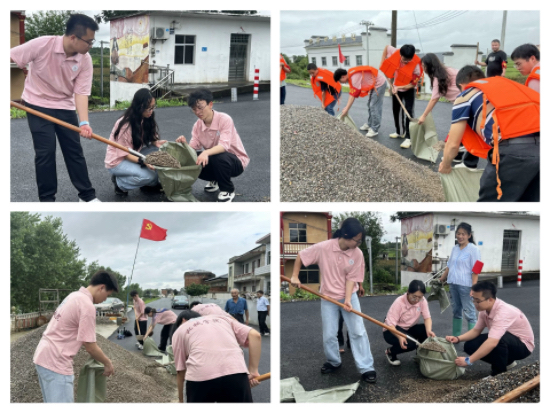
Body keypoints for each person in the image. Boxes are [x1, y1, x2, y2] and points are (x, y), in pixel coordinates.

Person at [10, 13, 101, 202]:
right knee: (45, 153)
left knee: (74, 151)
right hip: (37, 104)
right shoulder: (42, 44)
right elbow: (10, 57)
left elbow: (81, 92)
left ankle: (87, 196)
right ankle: (47, 200)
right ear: (73, 37)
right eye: (89, 42)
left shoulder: (85, 60)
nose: (90, 46)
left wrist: (84, 122)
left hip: (65, 107)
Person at [290, 218, 376, 383]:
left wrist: (349, 299)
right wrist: (295, 275)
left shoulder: (357, 253)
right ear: (345, 235)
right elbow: (301, 255)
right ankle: (333, 362)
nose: (359, 243)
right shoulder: (324, 247)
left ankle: (366, 367)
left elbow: (352, 278)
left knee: (358, 331)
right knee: (330, 334)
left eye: (360, 240)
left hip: (349, 296)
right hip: (328, 297)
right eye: (357, 240)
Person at [438, 65, 540, 202]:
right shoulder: (506, 86)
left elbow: (452, 145)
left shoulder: (464, 95)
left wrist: (445, 165)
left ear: (462, 85)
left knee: (490, 201)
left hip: (512, 151)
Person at [33, 271, 119, 403]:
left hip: (43, 357)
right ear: (101, 287)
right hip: (56, 362)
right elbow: (90, 346)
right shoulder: (87, 305)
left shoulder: (74, 296)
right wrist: (107, 363)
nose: (105, 299)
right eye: (107, 295)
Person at [446, 281, 534, 377]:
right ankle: (507, 362)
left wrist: (468, 360)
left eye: (478, 301)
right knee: (470, 345)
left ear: (490, 300)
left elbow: (492, 342)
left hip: (523, 346)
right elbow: (476, 331)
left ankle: (498, 375)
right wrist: (458, 338)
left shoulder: (503, 313)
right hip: (508, 340)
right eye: (473, 299)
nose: (475, 303)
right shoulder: (484, 310)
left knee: (497, 341)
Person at [171, 310, 261, 403]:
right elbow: (255, 335)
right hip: (236, 373)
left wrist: (181, 400)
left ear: (183, 320)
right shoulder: (222, 319)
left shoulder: (179, 331)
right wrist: (253, 371)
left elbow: (180, 372)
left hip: (200, 379)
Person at [176, 89, 249, 202]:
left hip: (235, 162)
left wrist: (205, 152)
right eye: (194, 109)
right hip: (215, 160)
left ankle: (228, 190)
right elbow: (193, 148)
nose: (197, 112)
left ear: (210, 104)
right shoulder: (197, 126)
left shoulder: (224, 119)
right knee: (192, 158)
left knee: (218, 156)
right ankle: (215, 179)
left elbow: (224, 146)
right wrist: (184, 144)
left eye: (200, 108)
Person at [420, 53, 478, 169]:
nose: (423, 68)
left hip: (466, 103)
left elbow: (434, 99)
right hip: (463, 102)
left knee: (470, 132)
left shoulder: (437, 78)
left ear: (429, 66)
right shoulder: (449, 70)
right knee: (462, 131)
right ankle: (456, 156)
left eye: (424, 66)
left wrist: (424, 115)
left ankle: (470, 164)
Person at [105, 88, 167, 196]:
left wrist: (155, 143)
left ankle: (148, 185)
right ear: (140, 106)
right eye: (148, 108)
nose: (151, 111)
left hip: (134, 153)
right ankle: (120, 184)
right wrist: (144, 161)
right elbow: (124, 154)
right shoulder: (125, 124)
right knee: (150, 176)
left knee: (160, 154)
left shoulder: (146, 116)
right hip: (118, 160)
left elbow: (149, 136)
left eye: (153, 107)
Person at [439, 222, 481, 336]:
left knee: (470, 313)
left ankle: (472, 338)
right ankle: (456, 337)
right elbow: (449, 265)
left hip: (466, 286)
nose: (460, 236)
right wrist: (442, 278)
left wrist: (474, 287)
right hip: (453, 284)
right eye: (458, 233)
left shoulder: (474, 249)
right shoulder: (454, 248)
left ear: (469, 235)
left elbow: (476, 270)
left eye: (463, 234)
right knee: (456, 311)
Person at [379, 44, 423, 149]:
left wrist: (399, 87)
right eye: (404, 59)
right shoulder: (395, 52)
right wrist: (382, 62)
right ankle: (399, 132)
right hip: (396, 87)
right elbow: (386, 47)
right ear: (400, 54)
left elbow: (413, 84)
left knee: (408, 111)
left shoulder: (417, 65)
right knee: (396, 110)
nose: (405, 62)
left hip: (409, 89)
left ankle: (408, 137)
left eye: (408, 60)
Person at [383, 280, 436, 366]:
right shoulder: (399, 303)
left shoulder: (422, 301)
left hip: (408, 328)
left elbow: (427, 318)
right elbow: (391, 325)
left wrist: (429, 330)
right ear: (408, 292)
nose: (416, 300)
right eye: (414, 296)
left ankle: (420, 355)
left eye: (420, 297)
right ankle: (390, 352)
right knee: (410, 344)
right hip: (391, 330)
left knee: (425, 331)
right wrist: (400, 336)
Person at [333, 66, 387, 138]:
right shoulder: (350, 76)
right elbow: (352, 93)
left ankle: (375, 129)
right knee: (370, 105)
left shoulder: (354, 77)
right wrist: (346, 107)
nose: (341, 83)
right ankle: (370, 124)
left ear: (342, 77)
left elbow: (353, 96)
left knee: (374, 106)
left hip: (379, 84)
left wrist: (347, 109)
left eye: (340, 81)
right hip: (374, 84)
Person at [337, 282, 364, 353]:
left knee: (353, 321)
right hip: (336, 294)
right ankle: (340, 343)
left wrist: (360, 285)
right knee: (338, 321)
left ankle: (351, 341)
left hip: (351, 293)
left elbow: (354, 274)